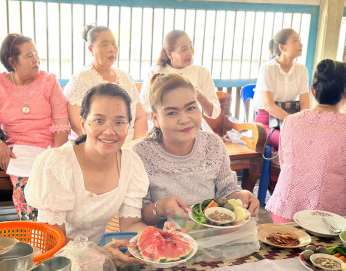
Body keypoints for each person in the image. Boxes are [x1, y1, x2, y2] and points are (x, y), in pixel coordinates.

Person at [25, 83, 177, 268]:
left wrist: (154, 236)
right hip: (57, 261)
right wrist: (99, 254)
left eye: (119, 122)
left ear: (128, 126)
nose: (109, 131)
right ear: (83, 124)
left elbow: (130, 225)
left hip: (101, 255)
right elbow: (52, 240)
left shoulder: (131, 163)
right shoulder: (58, 164)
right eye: (99, 121)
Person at [132, 73, 259, 226]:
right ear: (156, 119)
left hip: (213, 235)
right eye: (172, 113)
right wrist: (161, 208)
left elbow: (227, 191)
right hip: (164, 238)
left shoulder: (213, 144)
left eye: (191, 108)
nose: (185, 119)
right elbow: (137, 215)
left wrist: (241, 196)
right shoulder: (141, 154)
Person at [0, 33, 70, 221]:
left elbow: (61, 121)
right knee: (28, 190)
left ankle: (58, 233)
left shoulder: (49, 80)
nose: (36, 60)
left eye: (36, 54)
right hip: (19, 151)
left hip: (51, 148)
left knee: (58, 187)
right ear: (12, 61)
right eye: (29, 56)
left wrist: (56, 155)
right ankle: (34, 232)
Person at [265, 59, 346, 223]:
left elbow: (284, 162)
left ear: (313, 91)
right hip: (331, 220)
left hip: (284, 212)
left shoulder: (290, 121)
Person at [64, 25, 147, 143]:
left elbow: (140, 117)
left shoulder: (126, 77)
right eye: (104, 45)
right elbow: (78, 125)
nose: (111, 49)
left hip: (132, 147)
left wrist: (137, 146)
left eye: (114, 43)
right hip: (98, 147)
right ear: (91, 49)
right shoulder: (80, 79)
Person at [140, 30, 221, 121]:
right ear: (169, 54)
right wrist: (169, 115)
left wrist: (201, 98)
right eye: (184, 49)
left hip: (193, 126)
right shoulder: (154, 72)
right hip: (163, 129)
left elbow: (215, 113)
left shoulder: (201, 72)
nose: (190, 53)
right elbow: (144, 108)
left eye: (191, 47)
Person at [253, 28, 310, 149]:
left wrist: (302, 122)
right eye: (295, 40)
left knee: (311, 140)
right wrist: (293, 123)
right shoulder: (268, 68)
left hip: (291, 121)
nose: (301, 44)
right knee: (291, 142)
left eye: (300, 40)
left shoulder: (302, 69)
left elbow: (305, 103)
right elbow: (269, 106)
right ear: (282, 47)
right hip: (266, 122)